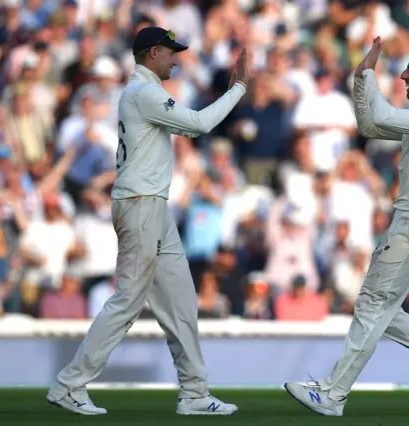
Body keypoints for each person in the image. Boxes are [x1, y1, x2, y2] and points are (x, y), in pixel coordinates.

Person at [46, 26, 250, 416]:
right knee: (128, 301)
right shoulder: (145, 92)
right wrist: (238, 88)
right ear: (153, 52)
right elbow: (199, 124)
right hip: (140, 205)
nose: (177, 59)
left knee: (182, 301)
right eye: (172, 52)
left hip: (154, 207)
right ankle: (69, 385)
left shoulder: (142, 92)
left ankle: (194, 393)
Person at [284, 38, 409, 416]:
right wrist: (360, 80)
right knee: (379, 308)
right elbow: (370, 126)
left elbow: (383, 116)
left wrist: (370, 74)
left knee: (372, 304)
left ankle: (334, 394)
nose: (404, 76)